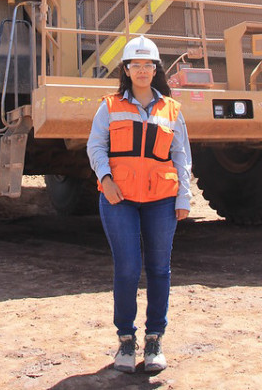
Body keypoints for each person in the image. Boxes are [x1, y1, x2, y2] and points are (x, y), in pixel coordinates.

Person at [87, 35, 191, 374]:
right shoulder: (110, 105)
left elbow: (181, 156)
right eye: (136, 65)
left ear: (156, 69)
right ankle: (126, 340)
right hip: (119, 199)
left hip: (161, 200)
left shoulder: (172, 110)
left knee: (160, 269)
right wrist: (106, 180)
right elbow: (96, 147)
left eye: (149, 65)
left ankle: (155, 338)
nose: (143, 70)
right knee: (128, 269)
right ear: (127, 69)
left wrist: (184, 196)